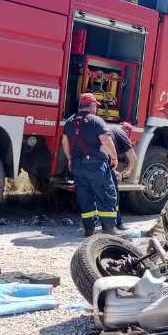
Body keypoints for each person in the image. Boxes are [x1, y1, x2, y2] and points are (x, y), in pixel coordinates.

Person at [62, 93, 120, 237]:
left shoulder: (70, 121)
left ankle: (89, 229)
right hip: (95, 165)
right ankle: (109, 228)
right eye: (96, 106)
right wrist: (114, 158)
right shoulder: (96, 121)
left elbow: (65, 141)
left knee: (84, 197)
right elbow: (105, 140)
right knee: (105, 194)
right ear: (92, 106)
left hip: (77, 165)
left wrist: (69, 159)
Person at [107, 121, 138, 229]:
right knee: (113, 194)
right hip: (103, 165)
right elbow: (133, 158)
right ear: (127, 131)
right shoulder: (121, 133)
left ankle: (92, 224)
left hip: (88, 162)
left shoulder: (107, 127)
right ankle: (117, 223)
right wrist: (128, 172)